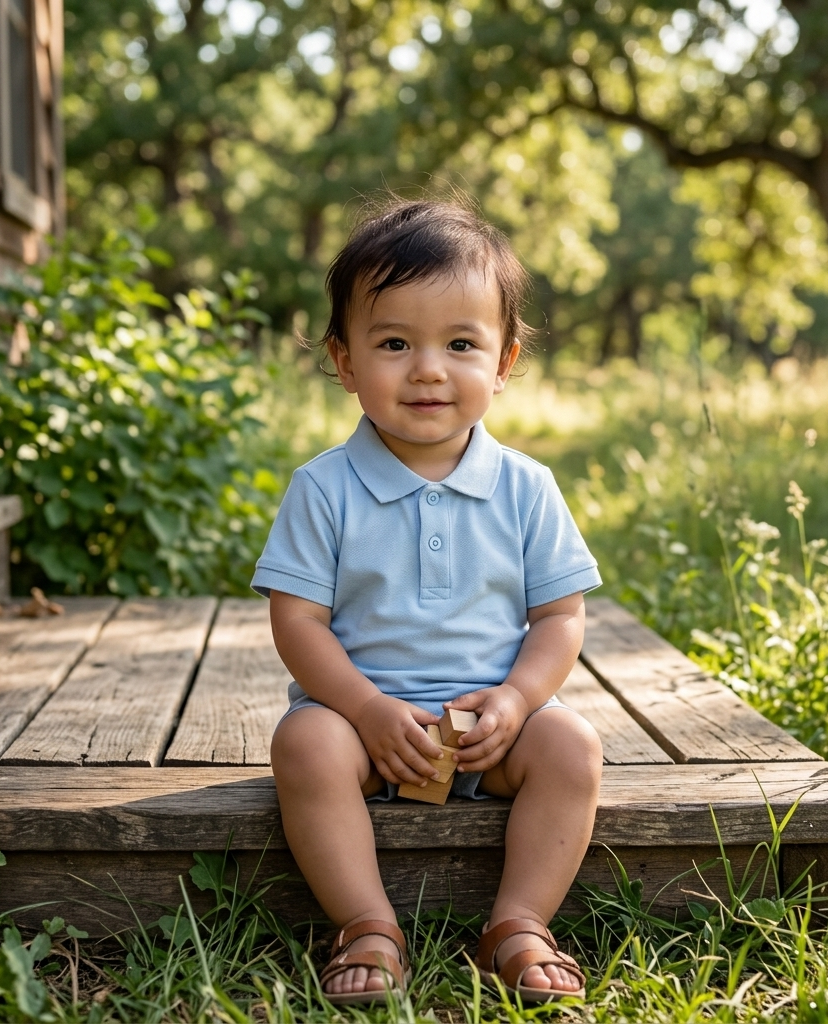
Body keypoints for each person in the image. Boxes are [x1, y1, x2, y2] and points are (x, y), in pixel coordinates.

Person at [253, 196, 603, 1006]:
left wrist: (518, 700)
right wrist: (367, 711)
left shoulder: (526, 486)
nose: (428, 369)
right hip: (360, 723)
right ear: (345, 362)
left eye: (460, 344)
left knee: (573, 748)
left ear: (504, 362)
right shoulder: (324, 488)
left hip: (489, 733)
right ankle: (368, 923)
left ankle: (517, 922)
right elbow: (297, 620)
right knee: (303, 746)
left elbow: (559, 618)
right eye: (395, 343)